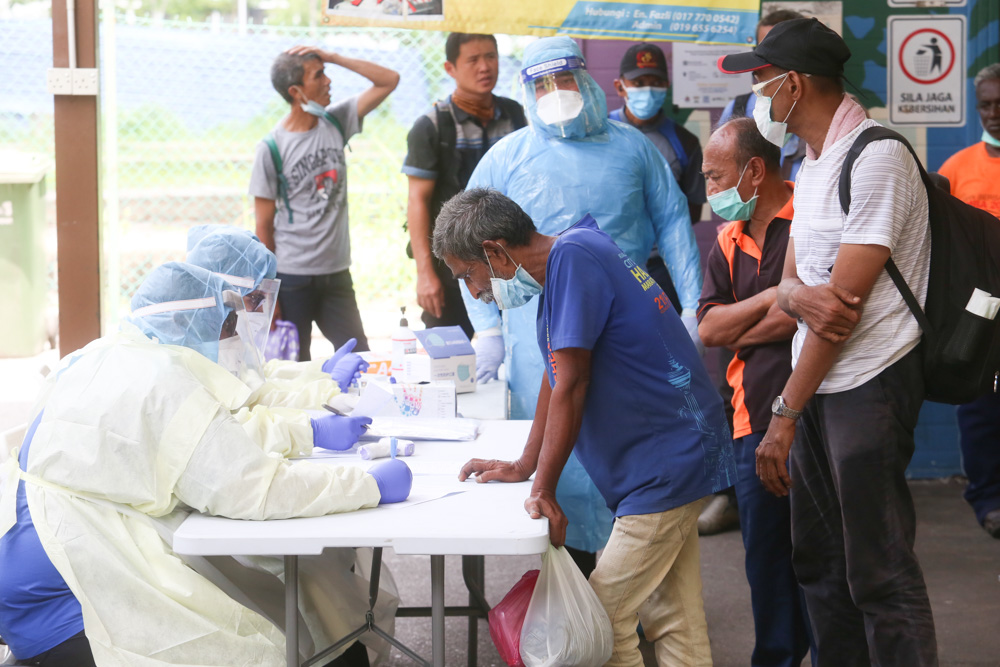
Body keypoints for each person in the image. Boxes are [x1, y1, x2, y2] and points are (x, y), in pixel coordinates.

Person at [0, 262, 411, 666]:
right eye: (228, 328)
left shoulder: (96, 355)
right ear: (194, 325)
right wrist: (367, 485)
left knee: (256, 602)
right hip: (76, 595)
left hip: (27, 569)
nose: (233, 339)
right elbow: (256, 490)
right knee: (256, 647)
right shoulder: (163, 380)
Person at [438, 188, 736, 667]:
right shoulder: (570, 257)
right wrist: (525, 463)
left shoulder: (573, 260)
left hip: (666, 465)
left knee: (599, 621)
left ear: (494, 250)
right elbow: (555, 373)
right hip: (673, 457)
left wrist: (544, 488)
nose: (473, 291)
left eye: (467, 275)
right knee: (673, 615)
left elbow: (571, 385)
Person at [720, 18, 937, 665]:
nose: (756, 93)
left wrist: (784, 413)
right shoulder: (811, 164)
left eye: (760, 79)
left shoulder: (878, 158)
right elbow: (795, 285)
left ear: (792, 84)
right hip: (816, 386)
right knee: (818, 560)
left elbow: (837, 313)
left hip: (867, 385)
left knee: (878, 570)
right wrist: (791, 297)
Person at [460, 35, 702, 573]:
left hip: (624, 331)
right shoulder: (506, 157)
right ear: (525, 91)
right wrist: (489, 329)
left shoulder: (635, 148)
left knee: (628, 460)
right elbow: (467, 250)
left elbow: (674, 225)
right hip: (534, 334)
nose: (556, 92)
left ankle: (621, 600)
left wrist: (692, 307)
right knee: (556, 466)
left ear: (587, 79)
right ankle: (564, 585)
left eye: (564, 79)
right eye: (541, 84)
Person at [697, 117, 814, 667]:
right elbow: (709, 330)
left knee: (819, 555)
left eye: (716, 177)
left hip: (815, 415)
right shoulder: (727, 239)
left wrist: (754, 321)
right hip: (751, 422)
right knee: (764, 560)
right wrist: (776, 298)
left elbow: (806, 323)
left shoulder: (812, 220)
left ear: (755, 171)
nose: (710, 191)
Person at [250, 45, 399, 360]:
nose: (329, 81)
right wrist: (268, 293)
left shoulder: (337, 122)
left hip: (336, 275)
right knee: (292, 367)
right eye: (319, 75)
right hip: (292, 279)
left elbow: (389, 80)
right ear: (296, 91)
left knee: (359, 358)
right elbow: (263, 224)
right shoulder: (272, 148)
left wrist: (334, 57)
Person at [402, 33, 527, 338]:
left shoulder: (514, 115)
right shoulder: (433, 126)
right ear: (450, 68)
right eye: (473, 60)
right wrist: (425, 274)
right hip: (452, 270)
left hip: (508, 265)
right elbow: (417, 202)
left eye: (491, 57)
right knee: (448, 360)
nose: (485, 67)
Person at [186, 224, 371, 417]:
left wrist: (321, 371)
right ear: (223, 294)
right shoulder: (197, 354)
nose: (263, 310)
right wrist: (315, 415)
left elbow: (259, 381)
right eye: (255, 299)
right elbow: (243, 420)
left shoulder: (221, 340)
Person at [937, 62, 1000, 539]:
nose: (994, 113)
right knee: (979, 405)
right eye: (986, 105)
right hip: (979, 310)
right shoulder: (957, 168)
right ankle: (988, 499)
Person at [610, 41, 706, 314]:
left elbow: (693, 212)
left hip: (663, 266)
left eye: (656, 82)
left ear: (666, 86)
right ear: (620, 86)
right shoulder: (601, 136)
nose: (648, 89)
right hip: (609, 262)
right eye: (639, 82)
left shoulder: (684, 142)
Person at [719, 9, 806, 181]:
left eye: (776, 54)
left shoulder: (831, 116)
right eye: (761, 52)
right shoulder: (739, 109)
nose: (766, 64)